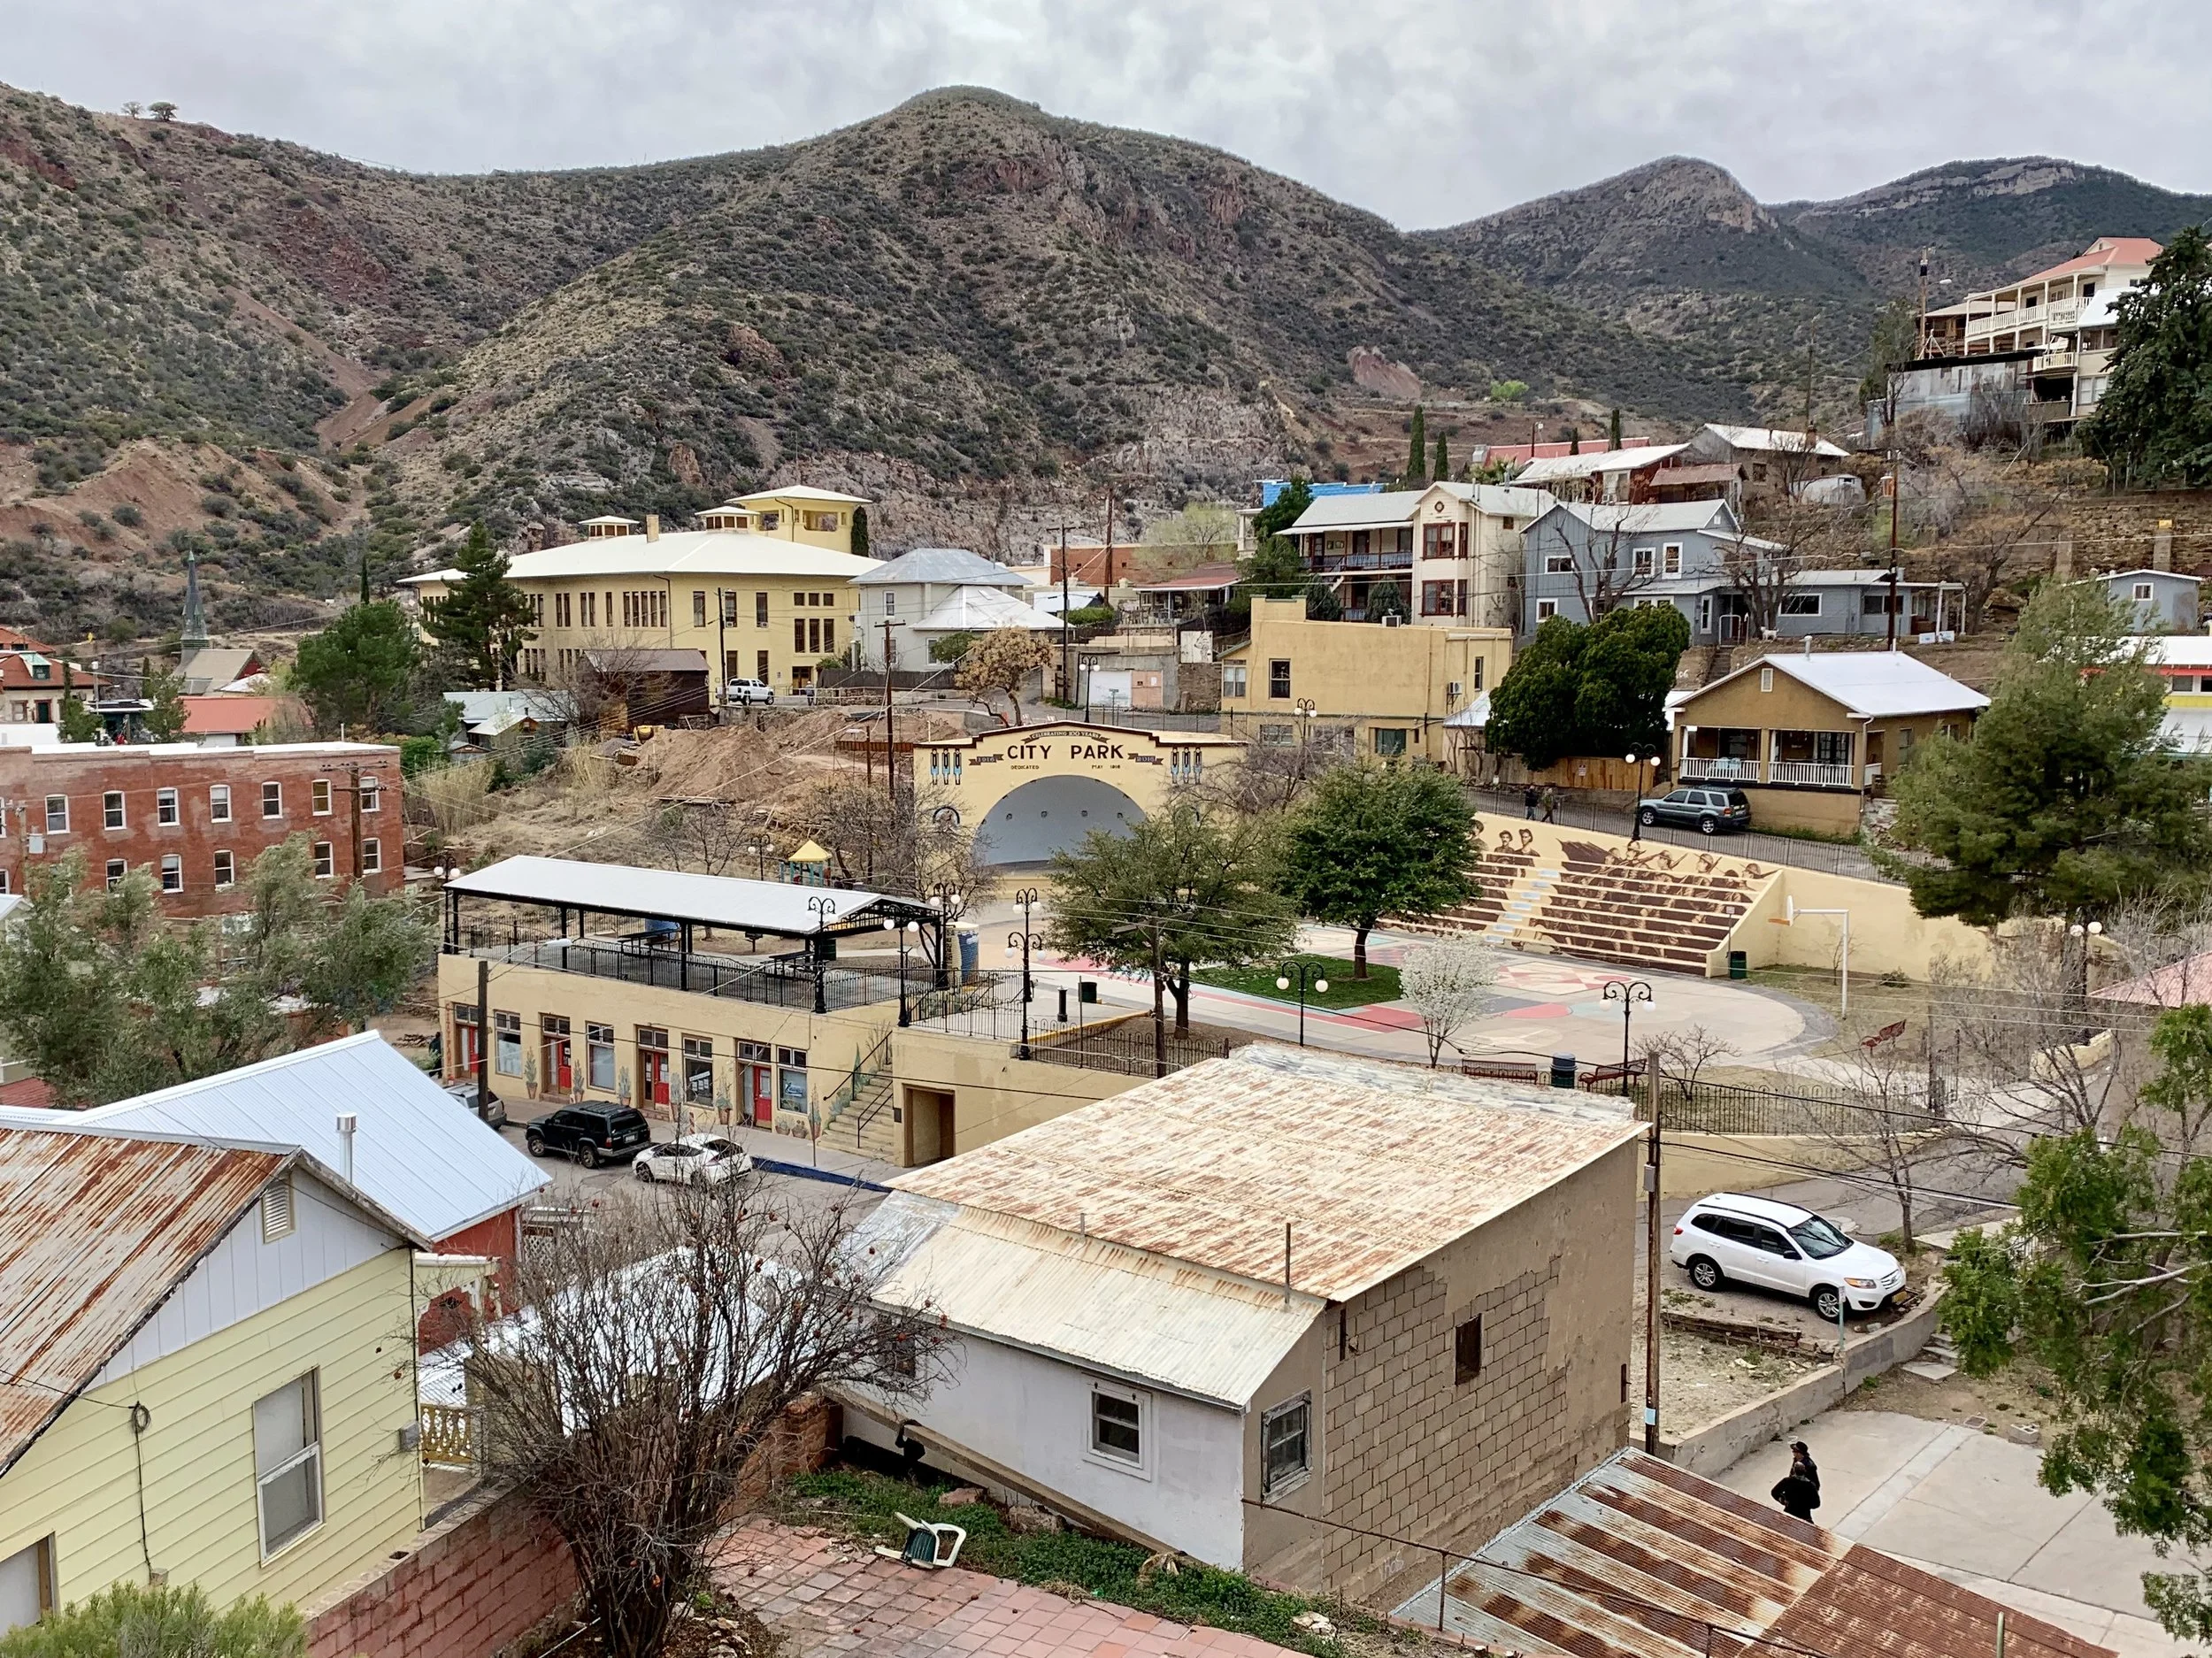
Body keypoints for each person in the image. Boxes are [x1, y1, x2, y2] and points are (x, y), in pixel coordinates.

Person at [1771, 1441, 1821, 1522]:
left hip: (1802, 1506)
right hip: (1795, 1506)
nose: (1793, 1453)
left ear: (1800, 1453)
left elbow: (1816, 1485)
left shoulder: (1810, 1467)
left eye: (1795, 1451)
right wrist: (1783, 1500)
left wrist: (1806, 1501)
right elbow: (1816, 1504)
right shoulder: (1796, 1462)